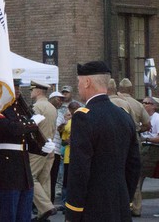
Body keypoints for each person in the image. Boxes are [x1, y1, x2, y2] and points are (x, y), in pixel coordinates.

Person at [65, 61, 140, 221]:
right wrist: (125, 198)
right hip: (120, 205)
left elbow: (80, 169)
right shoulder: (123, 115)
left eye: (79, 82)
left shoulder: (84, 117)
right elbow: (134, 164)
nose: (78, 87)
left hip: (94, 207)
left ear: (87, 82)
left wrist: (73, 209)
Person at [0, 79, 43, 222]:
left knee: (24, 215)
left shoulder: (20, 109)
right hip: (7, 169)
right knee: (8, 215)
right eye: (14, 88)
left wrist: (42, 148)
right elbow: (12, 129)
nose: (17, 91)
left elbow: (26, 138)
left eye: (18, 88)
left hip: (23, 169)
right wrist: (31, 123)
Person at [119, 77, 150, 216]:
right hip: (134, 139)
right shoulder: (137, 105)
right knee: (134, 173)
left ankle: (121, 205)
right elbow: (147, 124)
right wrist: (138, 130)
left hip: (118, 140)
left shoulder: (115, 101)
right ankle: (136, 207)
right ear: (131, 89)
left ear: (119, 89)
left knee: (118, 171)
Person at [28, 81, 57, 221]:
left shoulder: (37, 107)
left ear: (38, 91)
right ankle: (43, 212)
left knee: (30, 176)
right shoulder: (52, 107)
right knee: (44, 179)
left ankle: (46, 207)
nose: (30, 92)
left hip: (38, 147)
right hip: (50, 146)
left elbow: (31, 128)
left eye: (32, 89)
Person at [135, 96, 159, 217]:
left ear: (154, 106)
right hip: (143, 147)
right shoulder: (142, 118)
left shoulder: (157, 118)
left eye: (147, 103)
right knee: (138, 176)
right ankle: (136, 206)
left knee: (140, 175)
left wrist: (147, 138)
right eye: (143, 102)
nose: (144, 105)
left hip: (153, 149)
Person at [47, 91, 64, 206]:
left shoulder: (60, 114)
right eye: (58, 99)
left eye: (62, 99)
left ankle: (50, 202)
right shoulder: (49, 112)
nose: (60, 101)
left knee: (52, 178)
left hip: (56, 151)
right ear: (52, 99)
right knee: (44, 178)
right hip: (46, 150)